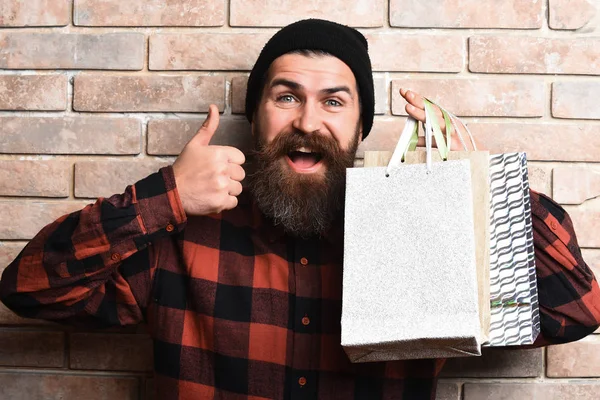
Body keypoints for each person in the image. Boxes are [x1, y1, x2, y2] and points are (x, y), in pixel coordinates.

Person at [1, 19, 599, 400]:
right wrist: (166, 197)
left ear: (360, 126)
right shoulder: (181, 238)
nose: (308, 122)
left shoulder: (427, 238)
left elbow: (576, 310)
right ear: (256, 116)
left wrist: (480, 194)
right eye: (286, 97)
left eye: (334, 102)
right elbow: (30, 289)